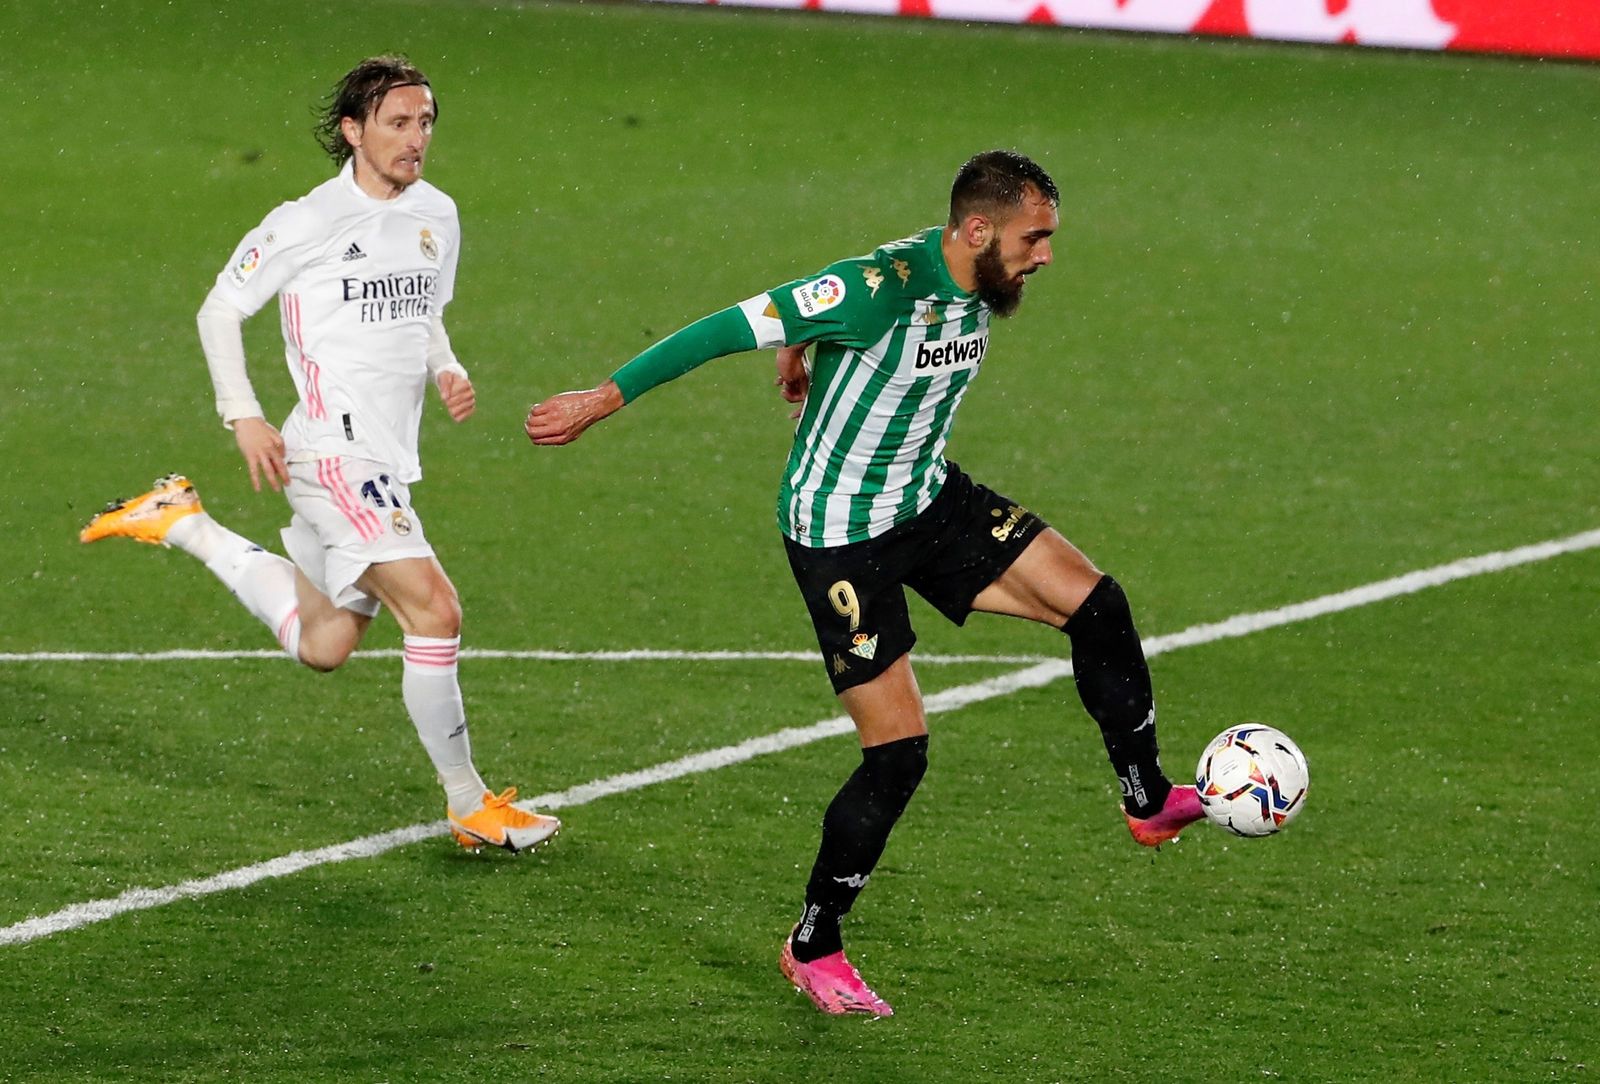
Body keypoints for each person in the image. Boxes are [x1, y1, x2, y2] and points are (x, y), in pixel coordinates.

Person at [524, 149, 1204, 1016]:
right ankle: (814, 944)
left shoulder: (971, 280)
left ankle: (1146, 797)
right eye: (1033, 239)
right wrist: (601, 399)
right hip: (841, 536)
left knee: (1097, 604)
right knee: (898, 754)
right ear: (977, 230)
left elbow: (811, 325)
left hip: (928, 499)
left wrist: (799, 353)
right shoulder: (878, 288)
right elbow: (726, 326)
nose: (1044, 256)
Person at [80, 56, 559, 854]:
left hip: (384, 457)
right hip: (333, 455)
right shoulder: (306, 221)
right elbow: (219, 310)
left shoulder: (438, 214)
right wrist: (243, 415)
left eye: (425, 122)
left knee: (324, 643)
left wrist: (446, 366)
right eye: (398, 123)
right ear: (353, 130)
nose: (416, 138)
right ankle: (469, 802)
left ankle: (182, 521)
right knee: (436, 611)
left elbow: (426, 313)